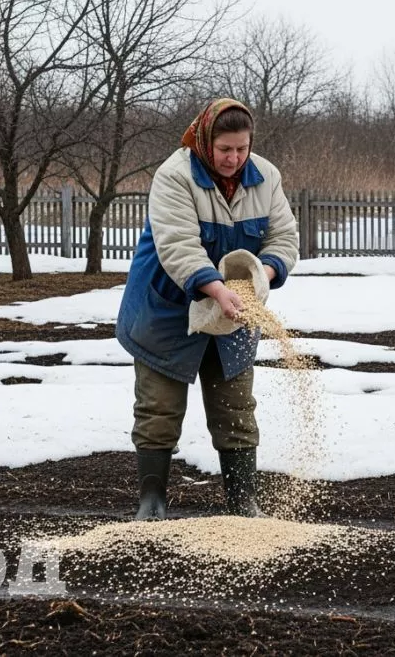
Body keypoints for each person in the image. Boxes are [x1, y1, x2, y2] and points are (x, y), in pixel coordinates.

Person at [115, 98, 299, 520]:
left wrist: (261, 276)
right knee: (158, 409)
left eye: (242, 149)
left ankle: (243, 504)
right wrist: (215, 289)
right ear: (205, 142)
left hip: (235, 307)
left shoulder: (266, 177)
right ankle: (152, 502)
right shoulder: (175, 176)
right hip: (166, 308)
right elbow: (178, 244)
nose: (234, 158)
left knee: (235, 408)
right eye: (225, 150)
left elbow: (284, 239)